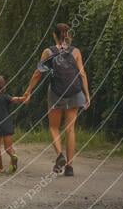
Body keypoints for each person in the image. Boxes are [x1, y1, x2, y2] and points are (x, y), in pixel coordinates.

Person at [23, 23, 90, 176]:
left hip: (56, 93)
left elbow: (37, 74)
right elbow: (83, 74)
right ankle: (70, 167)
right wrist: (87, 95)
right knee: (70, 129)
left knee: (53, 127)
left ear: (54, 35)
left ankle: (60, 155)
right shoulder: (76, 51)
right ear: (68, 35)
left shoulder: (48, 52)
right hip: (74, 92)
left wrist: (28, 91)